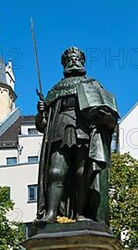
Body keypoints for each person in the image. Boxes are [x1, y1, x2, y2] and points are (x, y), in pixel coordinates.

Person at [35, 46, 119, 224]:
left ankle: (81, 213)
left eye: (76, 58)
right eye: (69, 59)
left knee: (82, 173)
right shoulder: (55, 90)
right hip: (59, 130)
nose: (73, 61)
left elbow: (110, 117)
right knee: (55, 171)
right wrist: (41, 112)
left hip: (85, 130)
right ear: (64, 64)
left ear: (82, 61)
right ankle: (51, 213)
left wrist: (102, 116)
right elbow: (43, 126)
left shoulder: (93, 84)